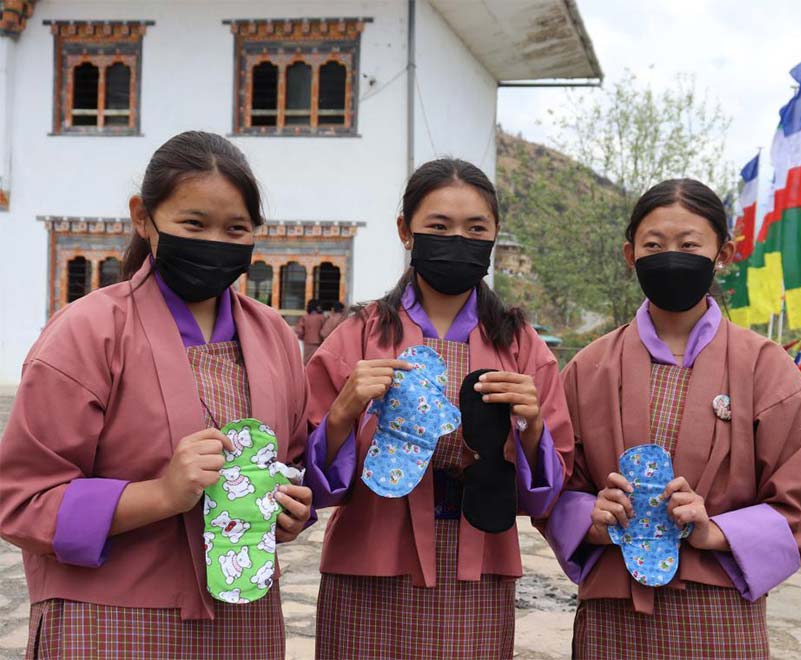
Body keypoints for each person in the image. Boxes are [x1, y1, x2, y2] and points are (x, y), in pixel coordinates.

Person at [0, 131, 313, 659]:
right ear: (143, 218)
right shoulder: (88, 331)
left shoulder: (276, 337)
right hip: (107, 624)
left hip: (244, 625)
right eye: (193, 224)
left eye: (235, 228)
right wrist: (161, 495)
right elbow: (23, 500)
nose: (215, 241)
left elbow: (292, 462)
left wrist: (291, 509)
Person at [542, 178, 801, 659]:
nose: (670, 256)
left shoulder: (768, 369)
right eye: (654, 245)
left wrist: (714, 530)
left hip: (720, 611)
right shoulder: (588, 369)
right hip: (613, 616)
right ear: (631, 255)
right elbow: (554, 483)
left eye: (689, 244)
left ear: (723, 253)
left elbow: (797, 507)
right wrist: (590, 518)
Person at [303, 158, 575, 659]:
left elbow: (550, 483)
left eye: (476, 228)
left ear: (494, 236)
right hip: (371, 564)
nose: (458, 240)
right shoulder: (358, 335)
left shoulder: (521, 344)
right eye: (439, 226)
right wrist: (345, 409)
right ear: (406, 230)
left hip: (478, 564)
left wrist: (531, 424)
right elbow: (310, 477)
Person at [295, 298, 325, 363]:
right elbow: (325, 330)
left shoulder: (305, 317)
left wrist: (302, 337)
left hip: (308, 343)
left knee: (307, 362)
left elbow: (299, 331)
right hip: (320, 343)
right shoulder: (322, 317)